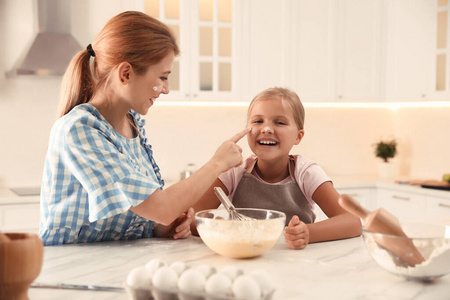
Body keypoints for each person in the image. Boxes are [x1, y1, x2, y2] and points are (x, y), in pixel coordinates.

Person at [39, 11, 250, 246]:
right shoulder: (79, 130)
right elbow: (161, 207)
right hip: (71, 271)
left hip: (111, 266)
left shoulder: (131, 125)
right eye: (162, 77)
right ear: (126, 73)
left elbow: (143, 212)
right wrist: (218, 163)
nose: (166, 89)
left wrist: (160, 227)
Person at [191, 87, 362, 250]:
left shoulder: (306, 172)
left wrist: (308, 233)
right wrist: (216, 225)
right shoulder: (234, 170)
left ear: (298, 136)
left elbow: (353, 221)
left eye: (279, 122)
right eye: (258, 121)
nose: (266, 128)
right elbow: (192, 217)